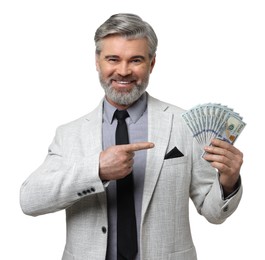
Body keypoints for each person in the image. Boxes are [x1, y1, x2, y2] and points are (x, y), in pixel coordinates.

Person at [20, 13, 243, 260]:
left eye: (135, 60)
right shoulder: (70, 134)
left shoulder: (184, 125)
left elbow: (213, 213)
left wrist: (229, 181)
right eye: (112, 59)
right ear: (97, 61)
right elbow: (30, 201)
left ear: (152, 63)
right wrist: (97, 170)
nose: (123, 71)